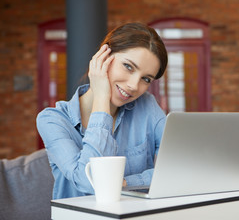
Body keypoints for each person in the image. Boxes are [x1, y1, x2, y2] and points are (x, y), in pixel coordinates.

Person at [36, 22, 168, 199]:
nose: (133, 85)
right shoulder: (52, 120)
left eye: (146, 79)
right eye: (128, 66)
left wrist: (127, 183)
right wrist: (101, 98)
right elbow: (87, 182)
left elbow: (181, 166)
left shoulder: (147, 105)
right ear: (103, 57)